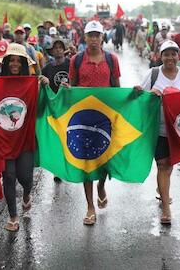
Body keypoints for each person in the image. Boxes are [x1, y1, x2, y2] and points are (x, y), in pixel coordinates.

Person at [135, 40, 180, 224]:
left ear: (178, 56)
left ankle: (162, 188)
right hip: (158, 129)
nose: (170, 58)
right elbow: (139, 98)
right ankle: (166, 209)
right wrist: (144, 92)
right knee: (163, 166)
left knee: (170, 166)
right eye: (166, 54)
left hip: (179, 130)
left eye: (173, 54)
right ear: (160, 56)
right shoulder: (153, 74)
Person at [69, 20, 121, 225]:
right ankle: (90, 206)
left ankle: (101, 186)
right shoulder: (76, 59)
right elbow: (71, 88)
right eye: (90, 35)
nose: (93, 39)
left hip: (105, 118)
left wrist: (129, 98)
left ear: (102, 38)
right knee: (87, 162)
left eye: (97, 35)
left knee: (105, 159)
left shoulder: (111, 59)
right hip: (83, 118)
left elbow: (117, 88)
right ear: (85, 37)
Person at [0, 43, 36, 232]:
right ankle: (12, 215)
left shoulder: (31, 82)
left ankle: (27, 194)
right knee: (9, 176)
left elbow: (42, 105)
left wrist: (42, 83)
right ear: (5, 62)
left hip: (25, 138)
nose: (14, 64)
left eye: (18, 61)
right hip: (4, 139)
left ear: (23, 63)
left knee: (26, 176)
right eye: (11, 60)